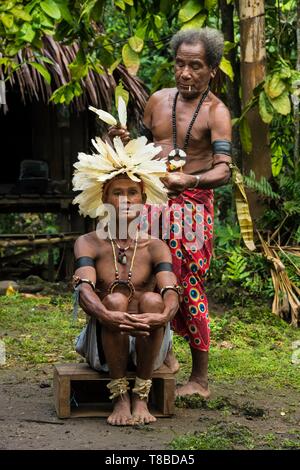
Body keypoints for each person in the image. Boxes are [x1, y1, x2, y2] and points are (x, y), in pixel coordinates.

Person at [109, 27, 232, 399]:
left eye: (195, 66)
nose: (185, 73)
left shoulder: (217, 112)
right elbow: (146, 149)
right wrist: (125, 140)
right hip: (151, 204)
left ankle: (200, 378)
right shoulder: (157, 100)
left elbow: (224, 170)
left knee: (186, 283)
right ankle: (165, 356)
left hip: (191, 208)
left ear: (211, 69)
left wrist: (191, 179)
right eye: (180, 64)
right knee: (144, 278)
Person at [72, 134, 180, 426]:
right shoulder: (89, 243)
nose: (124, 200)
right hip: (105, 348)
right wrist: (108, 314)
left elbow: (171, 290)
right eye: (116, 193)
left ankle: (141, 396)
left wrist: (163, 316)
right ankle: (120, 396)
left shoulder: (156, 246)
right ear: (103, 198)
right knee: (116, 298)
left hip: (150, 341)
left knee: (153, 299)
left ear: (143, 199)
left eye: (132, 192)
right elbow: (83, 289)